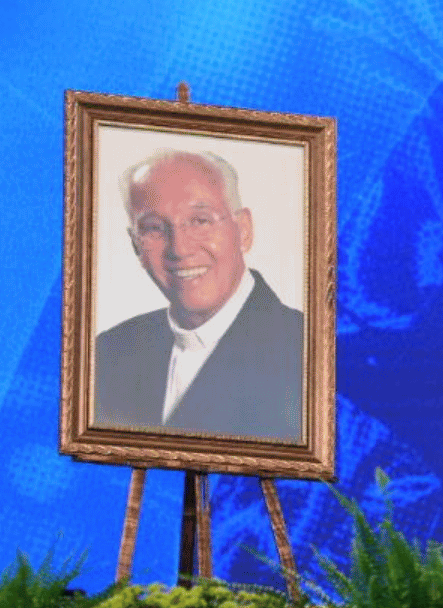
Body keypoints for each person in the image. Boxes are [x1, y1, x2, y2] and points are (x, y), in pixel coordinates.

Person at [92, 149, 304, 441]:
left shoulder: (307, 350)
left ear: (243, 230)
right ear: (135, 245)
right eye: (154, 228)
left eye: (200, 221)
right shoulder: (109, 353)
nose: (179, 249)